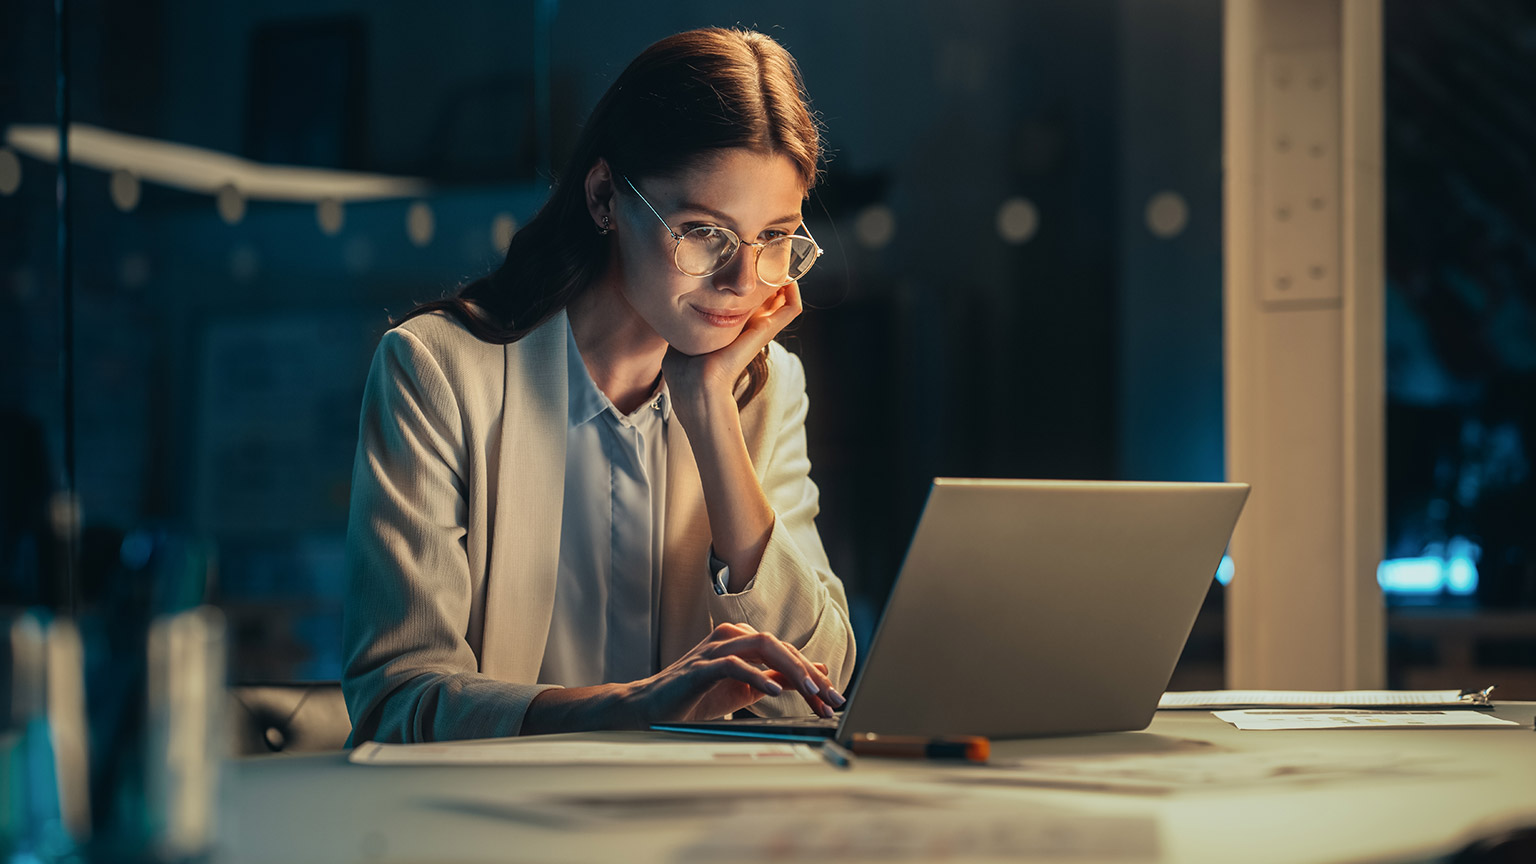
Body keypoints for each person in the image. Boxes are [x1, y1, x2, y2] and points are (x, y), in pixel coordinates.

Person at [342, 27, 855, 743]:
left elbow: (814, 692)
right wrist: (631, 707)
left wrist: (709, 411)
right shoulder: (438, 372)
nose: (744, 282)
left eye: (776, 238)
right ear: (605, 196)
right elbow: (395, 702)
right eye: (704, 231)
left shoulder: (763, 389)